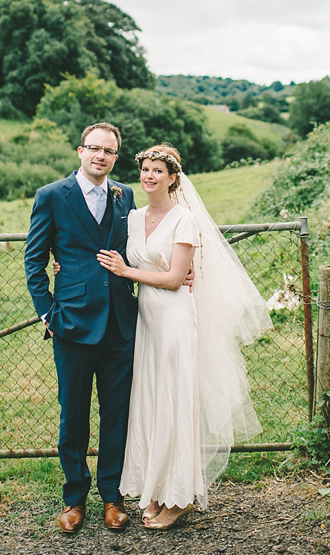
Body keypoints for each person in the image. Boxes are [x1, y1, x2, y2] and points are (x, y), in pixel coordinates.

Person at [97, 144, 273, 530]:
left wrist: (128, 273)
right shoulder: (133, 216)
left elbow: (176, 278)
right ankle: (156, 489)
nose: (149, 176)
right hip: (146, 321)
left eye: (158, 171)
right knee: (152, 401)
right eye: (145, 169)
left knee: (175, 403)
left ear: (173, 178)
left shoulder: (184, 220)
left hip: (175, 320)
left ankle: (179, 497)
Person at [24, 122, 137, 534]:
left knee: (117, 414)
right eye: (94, 148)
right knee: (73, 416)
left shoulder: (125, 194)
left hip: (120, 324)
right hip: (70, 324)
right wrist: (47, 314)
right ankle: (74, 498)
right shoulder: (52, 196)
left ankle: (113, 496)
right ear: (80, 151)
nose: (100, 156)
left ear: (115, 157)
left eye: (109, 151)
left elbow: (133, 249)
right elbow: (34, 261)